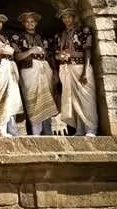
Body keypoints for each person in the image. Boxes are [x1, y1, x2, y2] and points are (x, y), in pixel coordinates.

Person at [11, 11, 58, 135]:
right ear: (23, 23)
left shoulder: (43, 38)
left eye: (32, 21)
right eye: (27, 22)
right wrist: (31, 51)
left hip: (44, 68)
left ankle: (48, 131)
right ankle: (36, 131)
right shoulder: (17, 38)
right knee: (31, 99)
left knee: (47, 99)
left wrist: (55, 73)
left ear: (36, 23)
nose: (30, 24)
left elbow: (51, 56)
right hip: (28, 70)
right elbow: (17, 57)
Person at [55, 7, 99, 136]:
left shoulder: (83, 31)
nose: (66, 19)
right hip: (67, 69)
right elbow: (56, 54)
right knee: (74, 100)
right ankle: (80, 129)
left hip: (80, 68)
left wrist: (85, 71)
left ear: (74, 18)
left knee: (86, 99)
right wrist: (61, 56)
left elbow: (87, 51)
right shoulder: (61, 35)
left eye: (69, 16)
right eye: (64, 17)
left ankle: (91, 128)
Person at [0, 13, 23, 138]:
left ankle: (12, 129)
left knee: (12, 98)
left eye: (0, 22)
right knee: (2, 97)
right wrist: (1, 51)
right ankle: (1, 129)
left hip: (9, 67)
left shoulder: (3, 37)